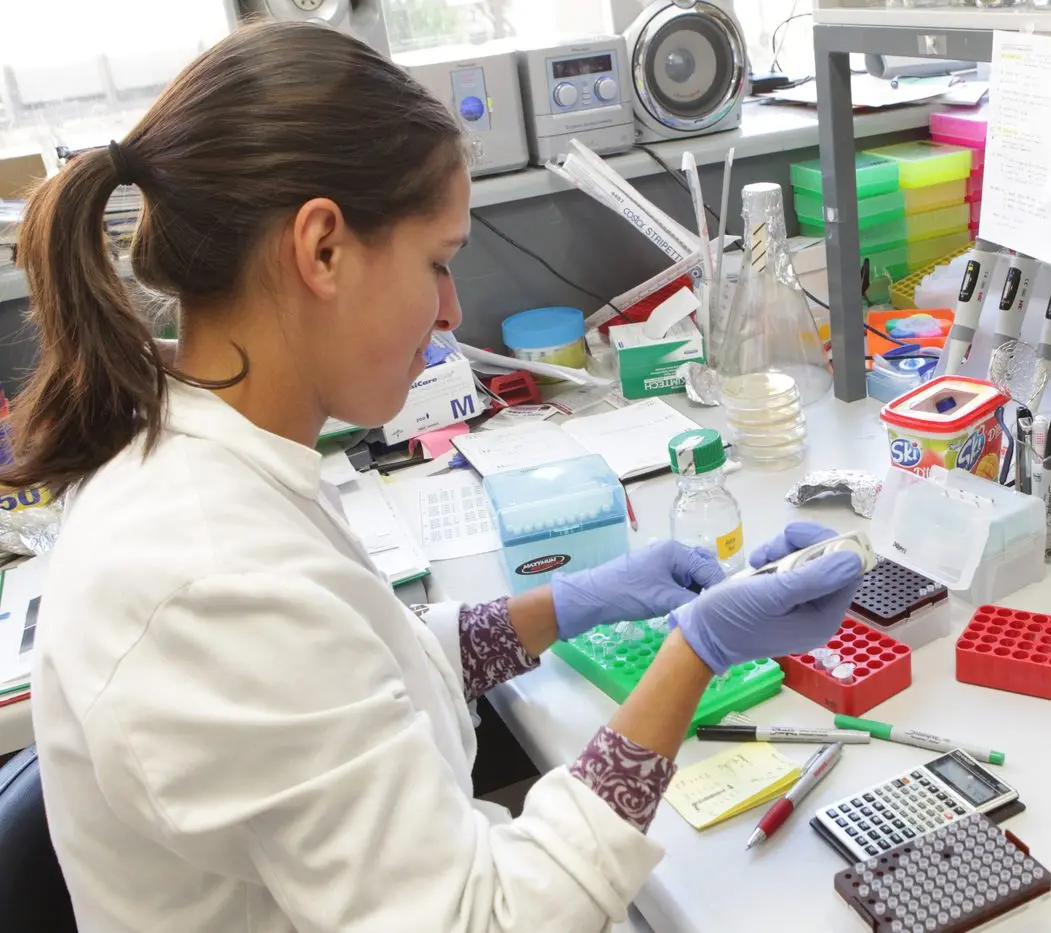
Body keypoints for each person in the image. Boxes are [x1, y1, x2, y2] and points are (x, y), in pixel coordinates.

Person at [3, 21, 864, 933]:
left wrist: (569, 605)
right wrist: (695, 652)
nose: (452, 310)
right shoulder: (208, 572)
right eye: (438, 263)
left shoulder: (214, 448)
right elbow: (480, 921)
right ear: (322, 248)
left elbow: (359, 671)